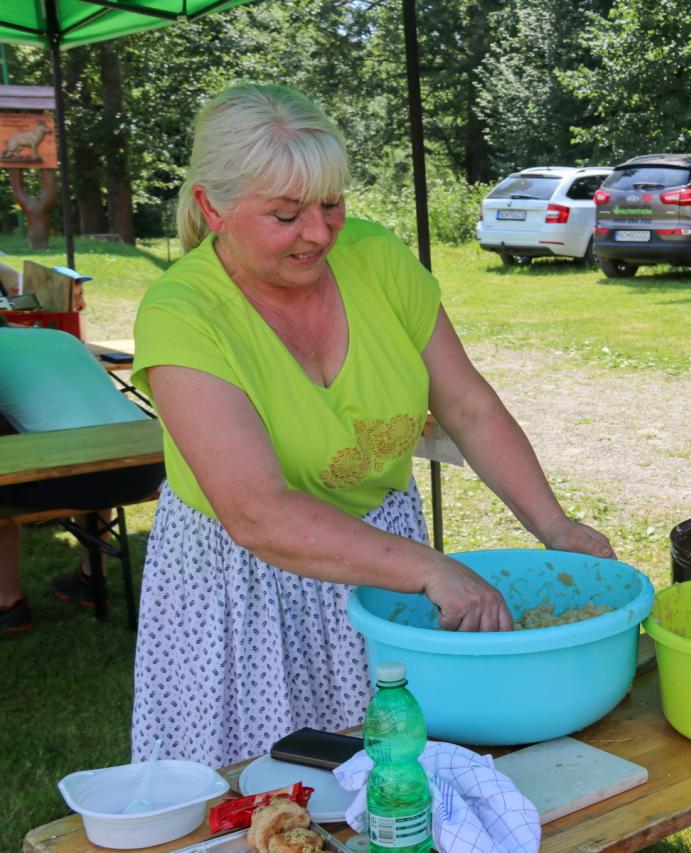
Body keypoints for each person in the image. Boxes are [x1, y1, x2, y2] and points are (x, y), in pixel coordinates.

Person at [130, 82, 614, 768]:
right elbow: (256, 512)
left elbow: (468, 406)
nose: (319, 233)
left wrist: (555, 525)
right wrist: (430, 569)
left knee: (391, 773)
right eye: (286, 214)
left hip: (383, 554)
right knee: (263, 789)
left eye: (331, 204)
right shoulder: (180, 314)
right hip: (245, 582)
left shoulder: (376, 259)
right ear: (213, 208)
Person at [0, 321, 162, 633]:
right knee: (91, 454)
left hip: (85, 478)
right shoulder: (60, 337)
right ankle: (91, 577)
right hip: (147, 466)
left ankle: (8, 603)